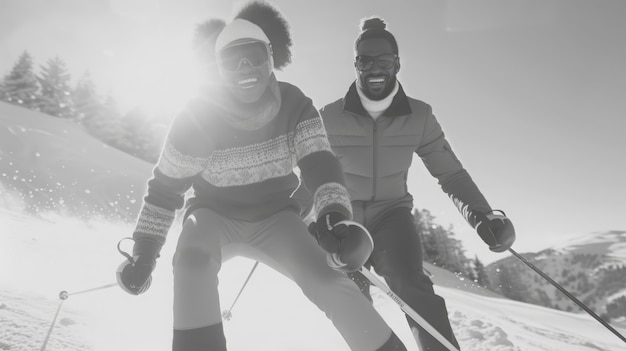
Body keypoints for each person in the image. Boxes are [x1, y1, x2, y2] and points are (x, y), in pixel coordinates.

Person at [115, 3, 407, 351]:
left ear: (270, 59)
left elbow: (319, 162)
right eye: (232, 61)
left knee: (329, 281)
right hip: (213, 215)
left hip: (277, 220)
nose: (245, 69)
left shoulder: (294, 103)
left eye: (254, 57)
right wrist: (145, 251)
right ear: (216, 69)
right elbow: (166, 189)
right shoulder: (196, 117)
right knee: (192, 262)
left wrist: (333, 218)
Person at [295, 17, 516, 351]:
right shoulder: (330, 116)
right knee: (349, 295)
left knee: (410, 282)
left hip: (391, 217)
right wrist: (291, 210)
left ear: (397, 63)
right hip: (344, 218)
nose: (375, 69)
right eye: (365, 61)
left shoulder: (419, 116)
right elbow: (314, 173)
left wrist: (482, 216)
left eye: (384, 60)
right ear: (355, 65)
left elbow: (451, 174)